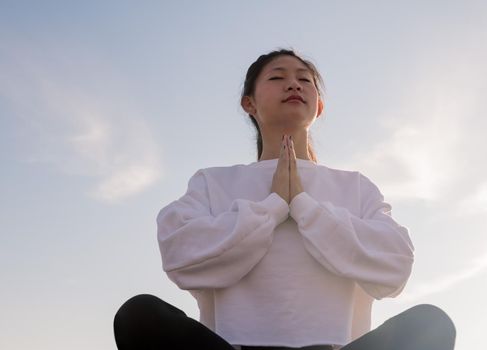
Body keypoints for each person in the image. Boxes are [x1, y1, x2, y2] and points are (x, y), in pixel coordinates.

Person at [113, 49, 456, 350]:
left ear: (318, 106)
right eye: (278, 77)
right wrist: (273, 206)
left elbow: (395, 265)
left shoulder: (355, 186)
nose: (294, 85)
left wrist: (305, 207)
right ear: (249, 102)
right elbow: (179, 254)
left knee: (430, 324)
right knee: (139, 315)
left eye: (304, 80)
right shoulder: (212, 182)